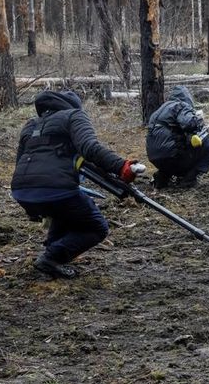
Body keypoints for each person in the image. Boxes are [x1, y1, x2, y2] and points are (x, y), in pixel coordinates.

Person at [12, 90, 139, 279]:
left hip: (21, 191)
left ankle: (52, 252)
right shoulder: (74, 115)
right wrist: (121, 166)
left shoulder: (31, 124)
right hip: (54, 188)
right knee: (97, 227)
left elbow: (21, 160)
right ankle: (51, 257)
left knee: (63, 210)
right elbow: (90, 148)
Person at [146, 86, 209, 188]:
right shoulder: (181, 106)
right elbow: (189, 123)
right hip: (173, 156)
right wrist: (198, 120)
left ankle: (163, 176)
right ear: (187, 97)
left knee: (172, 148)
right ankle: (189, 179)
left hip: (155, 159)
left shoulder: (159, 111)